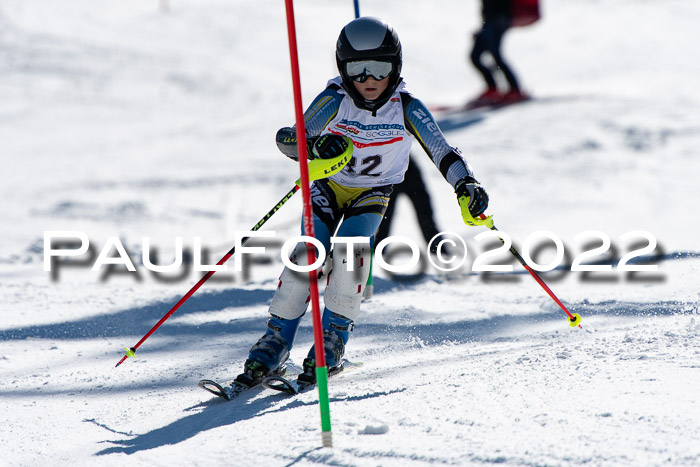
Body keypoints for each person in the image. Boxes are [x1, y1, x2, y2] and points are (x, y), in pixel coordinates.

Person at [233, 17, 490, 390]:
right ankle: (276, 340)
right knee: (306, 256)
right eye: (357, 69)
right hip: (328, 188)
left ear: (395, 66)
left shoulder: (406, 108)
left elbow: (442, 152)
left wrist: (465, 182)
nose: (369, 79)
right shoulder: (335, 98)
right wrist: (315, 147)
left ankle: (332, 340)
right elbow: (291, 138)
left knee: (350, 258)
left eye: (380, 68)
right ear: (343, 68)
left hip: (371, 195)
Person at [374, 154, 443, 255]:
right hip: (390, 177)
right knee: (384, 220)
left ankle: (440, 251)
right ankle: (377, 254)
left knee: (426, 219)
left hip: (408, 175)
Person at [468, 0, 528, 107]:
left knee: (495, 55)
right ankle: (492, 89)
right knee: (475, 56)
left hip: (498, 20)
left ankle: (514, 90)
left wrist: (501, 19)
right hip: (489, 21)